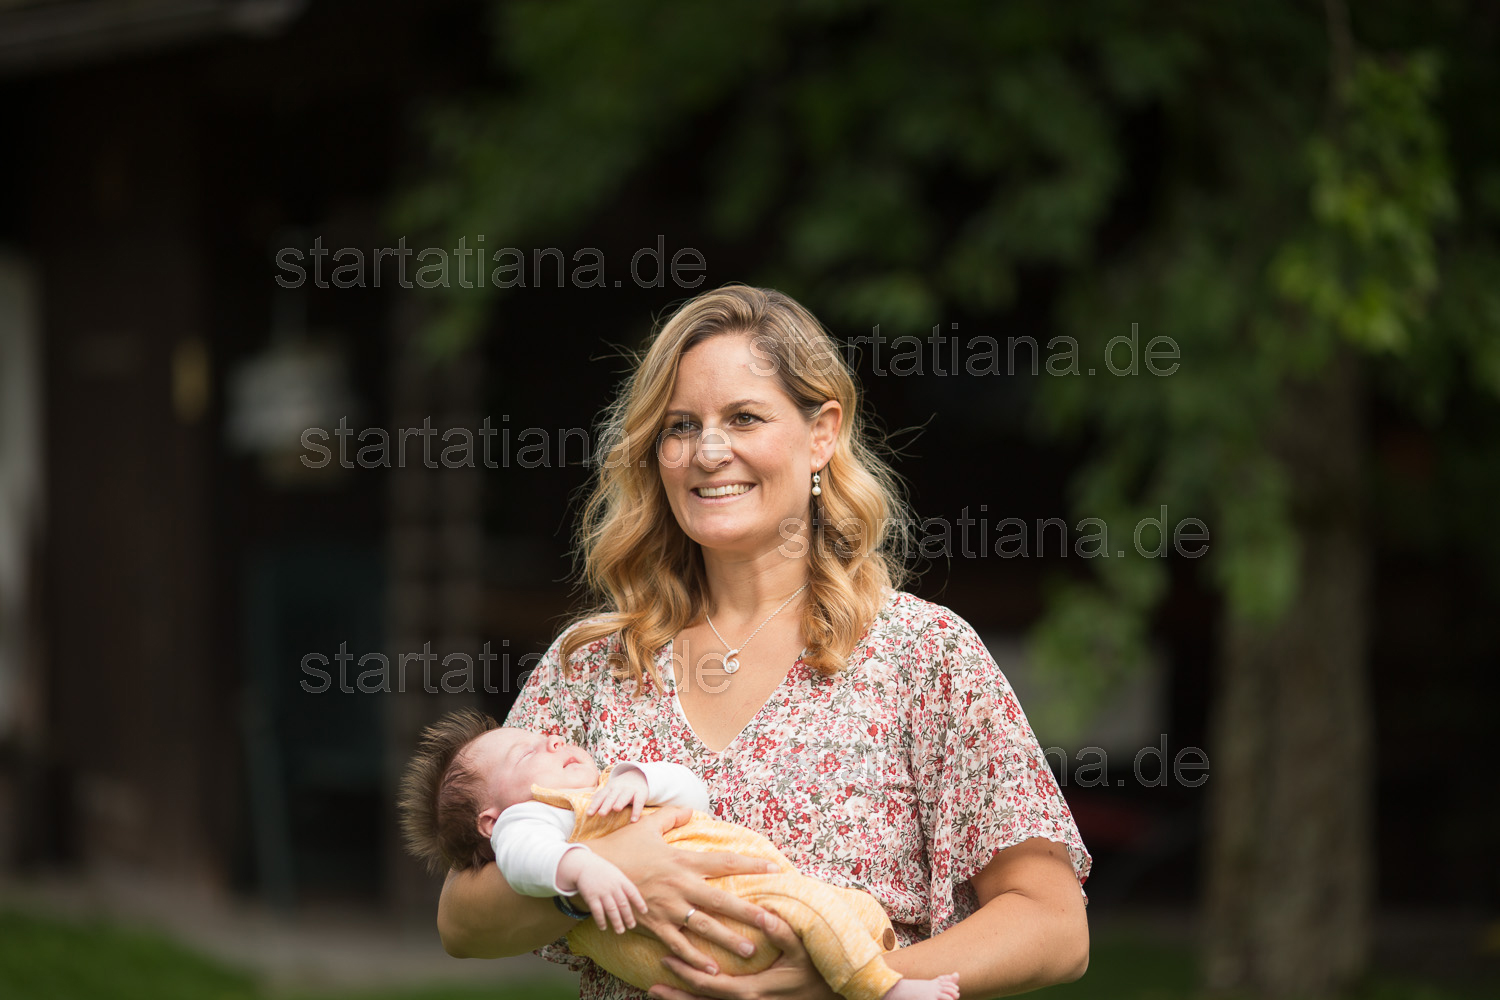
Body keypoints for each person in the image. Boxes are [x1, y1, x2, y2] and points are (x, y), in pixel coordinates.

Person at [436, 284, 1092, 1000]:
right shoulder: (594, 665)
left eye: (744, 417)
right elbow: (462, 921)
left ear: (822, 434)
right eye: (680, 426)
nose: (708, 451)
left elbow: (1054, 925)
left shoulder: (922, 654)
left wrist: (848, 982)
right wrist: (607, 870)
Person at [399, 711, 962, 1000]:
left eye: (548, 737)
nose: (552, 740)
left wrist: (638, 779)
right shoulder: (531, 819)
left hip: (744, 912)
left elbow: (693, 794)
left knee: (845, 913)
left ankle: (864, 968)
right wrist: (586, 868)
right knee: (813, 912)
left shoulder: (606, 788)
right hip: (742, 910)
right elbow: (523, 862)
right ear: (491, 821)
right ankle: (884, 988)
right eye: (528, 753)